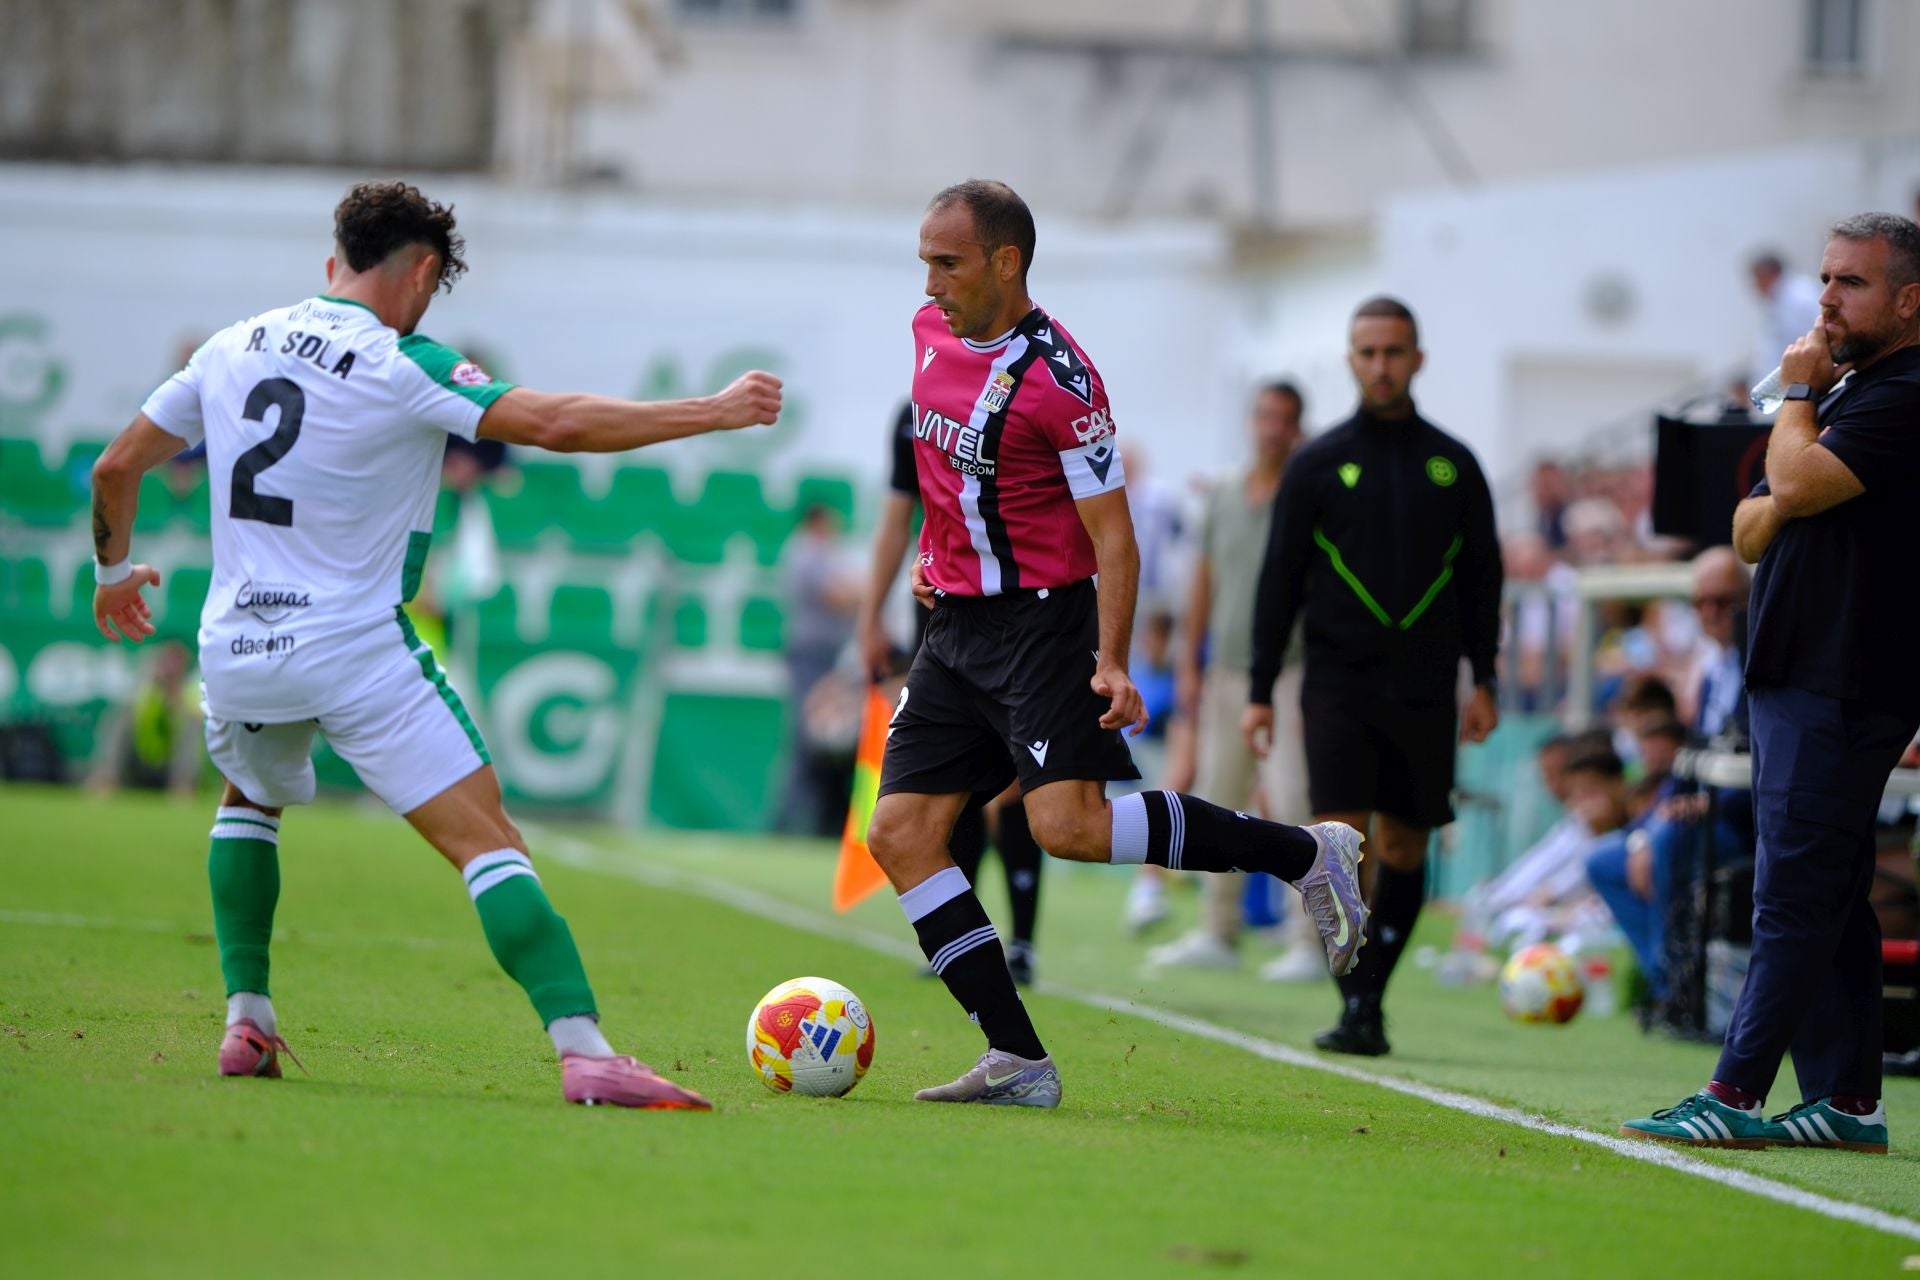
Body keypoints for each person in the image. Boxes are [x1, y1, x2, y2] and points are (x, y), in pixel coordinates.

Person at [89, 180, 782, 1110]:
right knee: (488, 839)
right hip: (350, 644)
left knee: (249, 799)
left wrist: (112, 576)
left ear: (334, 257)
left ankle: (245, 1018)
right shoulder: (398, 358)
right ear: (420, 271)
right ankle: (585, 1051)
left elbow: (116, 465)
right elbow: (558, 425)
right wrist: (715, 412)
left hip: (239, 642)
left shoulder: (229, 346)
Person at [867, 179, 1367, 1106]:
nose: (930, 284)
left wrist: (1111, 657)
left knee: (1068, 828)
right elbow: (945, 467)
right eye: (925, 263)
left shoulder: (1064, 383)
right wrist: (934, 555)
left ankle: (1304, 855)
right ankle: (1016, 1058)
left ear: (1005, 262)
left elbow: (1115, 535)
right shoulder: (928, 332)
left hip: (1042, 624)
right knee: (899, 833)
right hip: (954, 626)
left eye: (949, 263)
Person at [1624, 213, 1920, 1154]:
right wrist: (1800, 434)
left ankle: (1737, 1091)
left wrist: (1796, 400)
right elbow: (1747, 531)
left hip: (1846, 675)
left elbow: (1783, 494)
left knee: (1791, 890)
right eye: (1826, 278)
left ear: (1910, 301)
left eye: (1852, 284)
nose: (1826, 297)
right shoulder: (1851, 393)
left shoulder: (1901, 393)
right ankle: (1847, 1101)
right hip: (1802, 668)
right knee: (1827, 892)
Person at [1242, 295, 1503, 1057]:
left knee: (1406, 851)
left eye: (1394, 352)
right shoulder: (1317, 464)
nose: (1381, 366)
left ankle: (1370, 999)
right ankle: (1356, 1001)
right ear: (1351, 362)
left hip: (1425, 689)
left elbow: (1483, 581)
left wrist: (1483, 678)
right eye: (1367, 352)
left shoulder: (1455, 465)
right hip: (1339, 685)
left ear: (1416, 359)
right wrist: (1259, 691)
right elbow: (1278, 581)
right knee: (1342, 847)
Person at [856, 401, 1046, 984]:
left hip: (1017, 621)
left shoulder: (1027, 400)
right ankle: (965, 939)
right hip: (939, 619)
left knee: (1021, 788)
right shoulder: (914, 413)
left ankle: (1023, 943)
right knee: (949, 781)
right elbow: (896, 520)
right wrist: (870, 617)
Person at [1140, 382, 1323, 981]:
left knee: (1294, 797)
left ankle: (1308, 938)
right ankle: (1217, 929)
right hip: (1226, 670)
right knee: (1218, 797)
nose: (1271, 428)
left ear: (1298, 427)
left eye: (1283, 419)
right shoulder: (1221, 493)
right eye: (1264, 416)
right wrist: (1191, 663)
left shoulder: (1309, 490)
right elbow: (1204, 581)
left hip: (1292, 669)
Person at [1747, 250, 1825, 386]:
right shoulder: (1779, 300)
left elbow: (1820, 336)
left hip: (1807, 380)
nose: (1755, 286)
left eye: (1757, 279)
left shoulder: (1801, 296)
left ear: (1769, 274)